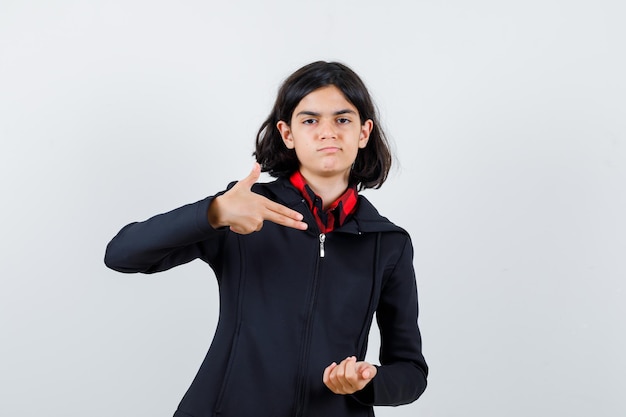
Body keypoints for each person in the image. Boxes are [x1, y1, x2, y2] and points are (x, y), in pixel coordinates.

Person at [104, 61, 428, 417]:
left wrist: (369, 381)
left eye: (342, 119)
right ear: (287, 134)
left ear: (363, 132)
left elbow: (411, 371)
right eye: (309, 120)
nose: (327, 132)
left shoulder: (388, 242)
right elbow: (122, 255)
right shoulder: (243, 210)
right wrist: (213, 213)